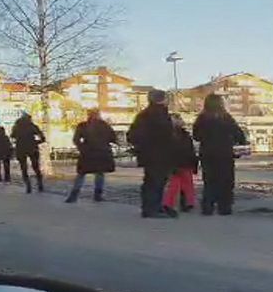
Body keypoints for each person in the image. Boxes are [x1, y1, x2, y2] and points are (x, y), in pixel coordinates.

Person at [192, 93, 247, 216]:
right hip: (225, 153)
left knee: (209, 181)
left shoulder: (202, 118)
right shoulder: (226, 117)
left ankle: (208, 207)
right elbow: (239, 133)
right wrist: (239, 143)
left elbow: (196, 136)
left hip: (207, 153)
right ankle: (224, 207)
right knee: (226, 180)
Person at [127, 89, 176, 218]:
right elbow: (165, 134)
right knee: (156, 182)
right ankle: (151, 208)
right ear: (162, 99)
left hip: (150, 154)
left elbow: (132, 135)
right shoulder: (158, 115)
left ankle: (153, 206)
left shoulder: (144, 115)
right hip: (159, 153)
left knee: (153, 181)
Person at [65, 109, 117, 203]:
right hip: (102, 153)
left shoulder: (83, 126)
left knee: (81, 174)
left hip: (87, 153)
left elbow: (76, 139)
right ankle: (98, 195)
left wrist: (82, 148)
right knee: (100, 174)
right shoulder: (104, 125)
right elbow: (113, 138)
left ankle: (74, 195)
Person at [161, 113, 199, 217]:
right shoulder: (184, 135)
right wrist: (194, 163)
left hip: (178, 163)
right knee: (186, 184)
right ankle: (187, 203)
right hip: (183, 163)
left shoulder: (168, 135)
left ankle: (169, 203)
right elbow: (190, 151)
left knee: (176, 185)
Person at [11, 113, 46, 194]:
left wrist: (17, 141)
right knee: (36, 166)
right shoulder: (32, 126)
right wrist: (36, 142)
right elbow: (43, 138)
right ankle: (40, 185)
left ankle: (28, 186)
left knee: (23, 168)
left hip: (21, 148)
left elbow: (12, 136)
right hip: (32, 147)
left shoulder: (16, 127)